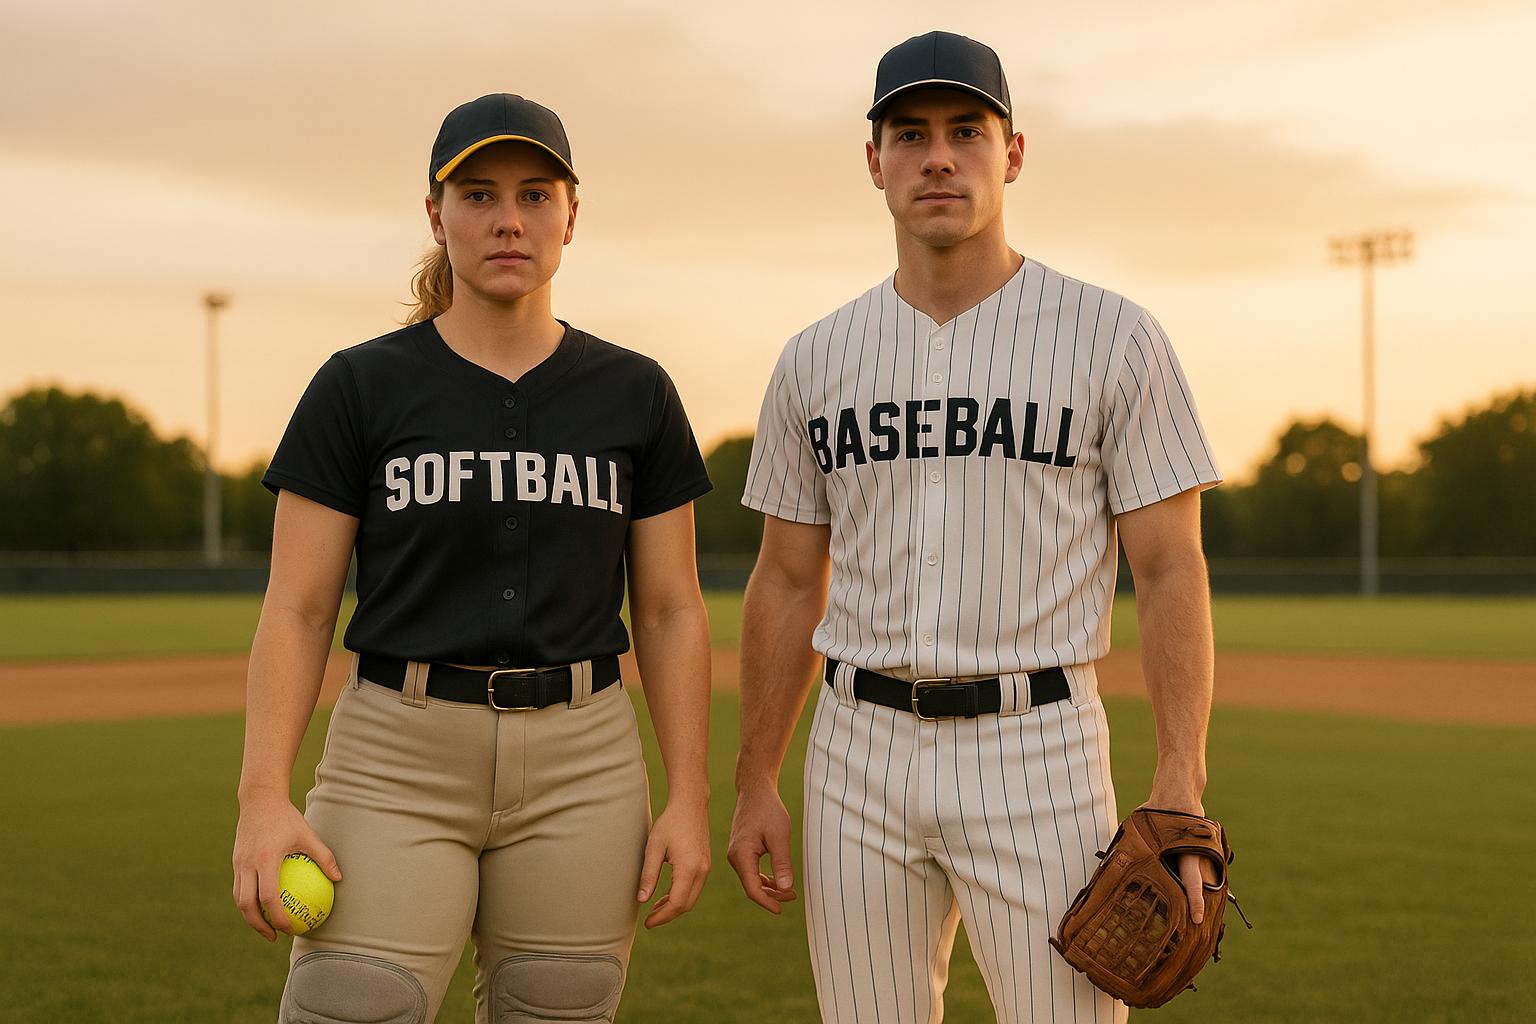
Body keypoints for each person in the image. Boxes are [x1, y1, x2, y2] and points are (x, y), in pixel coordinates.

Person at [726, 31, 1223, 1024]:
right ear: (874, 163)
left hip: (1036, 751)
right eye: (909, 135)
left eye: (967, 131)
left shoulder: (1112, 336)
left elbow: (1169, 566)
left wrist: (1180, 776)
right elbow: (784, 578)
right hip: (855, 752)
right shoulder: (816, 358)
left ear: (1015, 152)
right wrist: (754, 779)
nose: (938, 157)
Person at [231, 93, 713, 1024]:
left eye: (536, 195)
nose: (508, 219)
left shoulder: (635, 391)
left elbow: (669, 610)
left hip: (584, 764)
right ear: (434, 213)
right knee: (349, 1005)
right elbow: (295, 610)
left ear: (572, 215)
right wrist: (261, 795)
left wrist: (688, 795)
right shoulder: (360, 385)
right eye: (478, 194)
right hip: (395, 753)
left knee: (559, 1007)